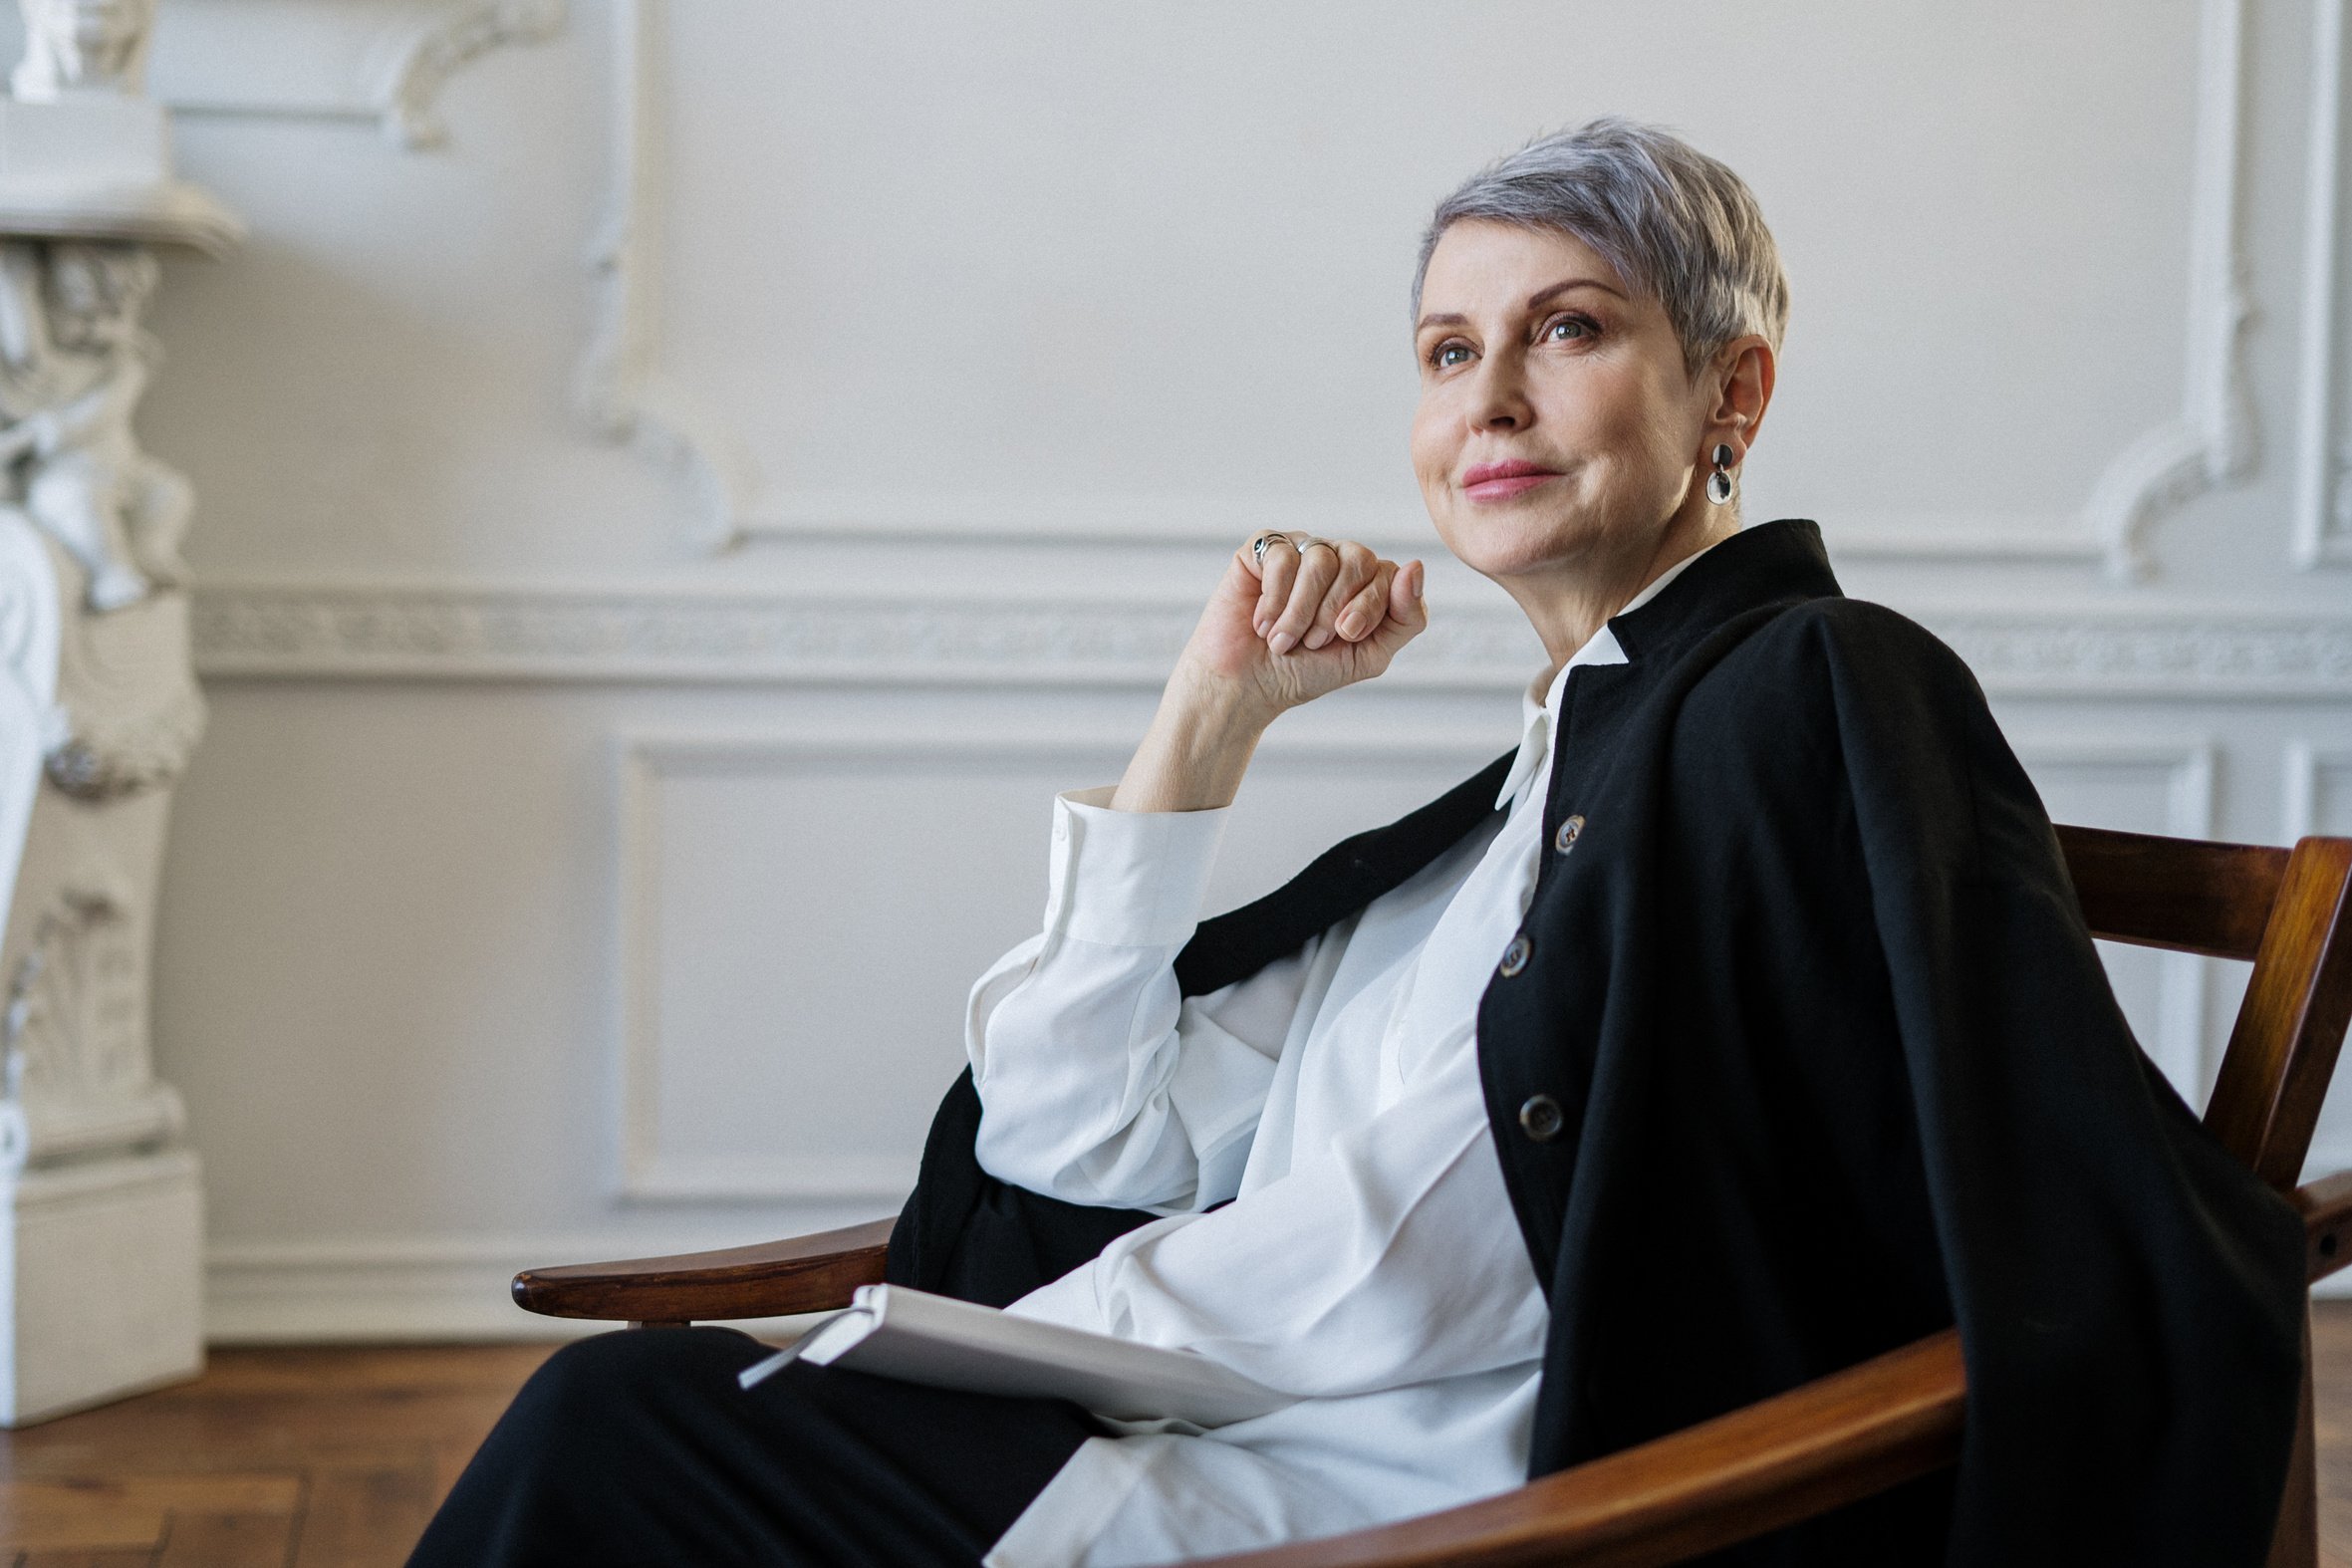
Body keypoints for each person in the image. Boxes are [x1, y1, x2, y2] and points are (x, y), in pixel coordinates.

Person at [409, 119, 2306, 1568]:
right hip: (1238, 1424)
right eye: (1444, 346)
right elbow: (1079, 1136)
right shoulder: (1522, 794)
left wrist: (1004, 1338)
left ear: (1731, 389)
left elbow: (1472, 1243)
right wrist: (1204, 722)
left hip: (1430, 1501)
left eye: (1565, 330)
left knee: (615, 1437)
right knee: (626, 1426)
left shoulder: (1798, 690)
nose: (1484, 398)